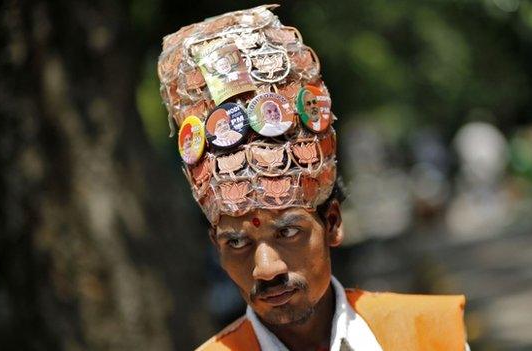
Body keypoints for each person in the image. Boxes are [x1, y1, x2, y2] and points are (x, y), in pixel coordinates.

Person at [157, 5, 468, 351]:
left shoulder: (429, 334)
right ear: (217, 248)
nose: (265, 269)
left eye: (288, 231)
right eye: (237, 243)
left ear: (332, 223)